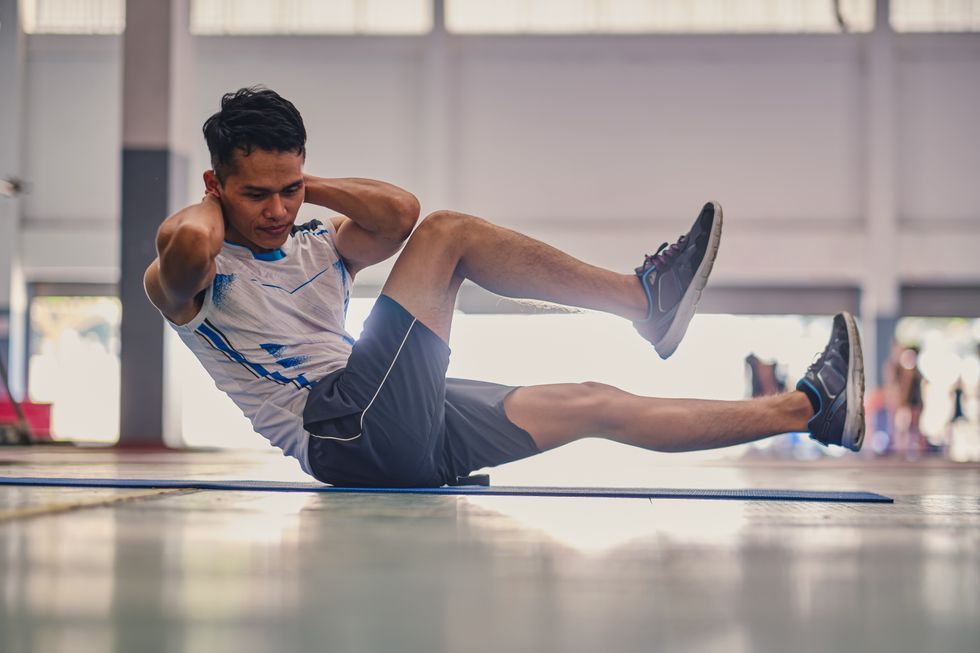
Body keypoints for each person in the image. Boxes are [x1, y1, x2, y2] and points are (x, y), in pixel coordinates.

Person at [143, 87, 865, 487]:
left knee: (596, 402)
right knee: (451, 234)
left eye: (290, 189)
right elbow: (185, 240)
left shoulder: (316, 237)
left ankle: (811, 409)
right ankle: (642, 302)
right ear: (215, 184)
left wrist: (303, 189)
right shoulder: (195, 277)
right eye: (256, 194)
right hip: (340, 429)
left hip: (390, 419)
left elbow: (398, 213)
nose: (276, 211)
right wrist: (222, 201)